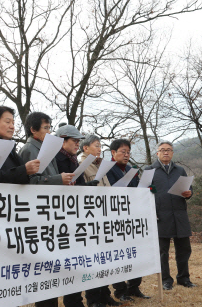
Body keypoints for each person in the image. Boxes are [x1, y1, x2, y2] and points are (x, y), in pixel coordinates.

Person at [18, 113, 74, 307]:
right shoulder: (29, 150)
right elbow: (31, 181)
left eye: (50, 128)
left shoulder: (45, 148)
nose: (49, 132)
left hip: (50, 213)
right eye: (45, 128)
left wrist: (62, 179)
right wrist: (60, 179)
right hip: (38, 217)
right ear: (33, 130)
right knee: (41, 272)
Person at [145, 141, 195, 290]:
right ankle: (166, 280)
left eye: (169, 150)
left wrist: (189, 193)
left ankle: (184, 278)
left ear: (173, 153)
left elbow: (189, 188)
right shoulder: (149, 170)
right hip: (160, 216)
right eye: (163, 150)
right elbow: (142, 192)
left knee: (184, 249)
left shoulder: (180, 170)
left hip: (179, 214)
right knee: (162, 251)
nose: (166, 152)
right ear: (157, 153)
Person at [105, 139, 149, 302]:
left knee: (135, 253)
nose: (126, 155)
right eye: (123, 151)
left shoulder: (131, 169)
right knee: (118, 255)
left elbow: (137, 188)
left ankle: (134, 286)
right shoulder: (107, 169)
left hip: (132, 217)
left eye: (128, 152)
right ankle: (120, 290)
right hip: (115, 218)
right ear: (113, 152)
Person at [80, 136, 119, 307]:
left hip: (105, 218)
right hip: (90, 220)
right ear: (85, 148)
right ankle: (94, 299)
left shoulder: (101, 166)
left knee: (105, 260)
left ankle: (105, 295)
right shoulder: (81, 166)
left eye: (100, 146)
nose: (99, 149)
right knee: (93, 261)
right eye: (96, 146)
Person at [53, 124, 86, 307]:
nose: (77, 145)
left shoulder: (74, 160)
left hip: (75, 214)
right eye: (74, 141)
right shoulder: (53, 159)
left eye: (79, 141)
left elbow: (80, 184)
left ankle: (75, 300)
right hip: (58, 217)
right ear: (62, 141)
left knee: (75, 260)